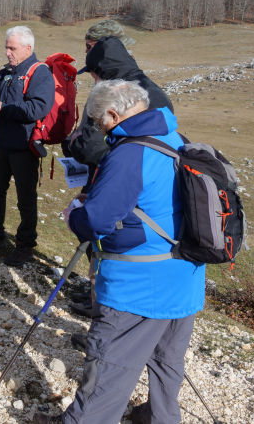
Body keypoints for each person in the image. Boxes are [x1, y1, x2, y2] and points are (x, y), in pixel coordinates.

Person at [46, 80, 204, 424]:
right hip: (185, 279)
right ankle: (159, 418)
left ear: (114, 115)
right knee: (167, 364)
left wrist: (74, 215)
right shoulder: (176, 137)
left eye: (99, 122)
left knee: (107, 370)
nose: (99, 130)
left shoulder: (130, 153)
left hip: (138, 287)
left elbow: (96, 222)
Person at [62, 31, 173, 319]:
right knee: (101, 246)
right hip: (117, 181)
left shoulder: (134, 95)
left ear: (105, 71)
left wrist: (84, 146)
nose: (93, 79)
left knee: (110, 244)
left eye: (95, 73)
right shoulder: (136, 89)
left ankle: (104, 309)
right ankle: (95, 296)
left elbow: (103, 148)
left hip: (128, 191)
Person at [0, 25, 54, 266]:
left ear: (28, 48)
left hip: (25, 147)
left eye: (12, 48)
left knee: (25, 198)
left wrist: (3, 108)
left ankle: (26, 245)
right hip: (2, 144)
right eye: (6, 47)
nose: (7, 52)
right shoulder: (8, 72)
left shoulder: (40, 74)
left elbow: (38, 108)